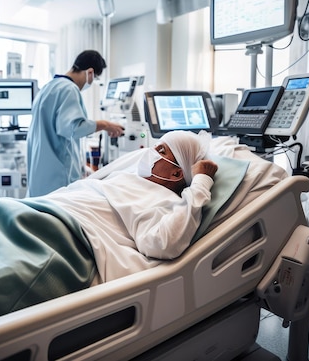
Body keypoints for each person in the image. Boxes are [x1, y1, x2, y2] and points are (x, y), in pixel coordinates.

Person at [44, 130, 218, 282]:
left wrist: (201, 182)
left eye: (161, 151)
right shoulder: (129, 177)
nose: (152, 152)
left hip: (64, 230)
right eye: (156, 146)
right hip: (51, 207)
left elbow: (163, 243)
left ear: (176, 173)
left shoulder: (163, 201)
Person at [26, 50, 126, 197]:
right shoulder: (69, 89)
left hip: (39, 179)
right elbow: (73, 129)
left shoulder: (48, 88)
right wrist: (104, 124)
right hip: (57, 180)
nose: (91, 83)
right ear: (90, 73)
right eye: (95, 78)